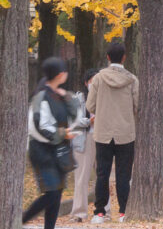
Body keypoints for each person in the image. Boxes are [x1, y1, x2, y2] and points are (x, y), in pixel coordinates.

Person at [22, 57, 80, 229]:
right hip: (42, 151)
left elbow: (75, 117)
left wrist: (68, 99)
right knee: (52, 192)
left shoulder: (60, 95)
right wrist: (62, 134)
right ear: (61, 74)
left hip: (59, 150)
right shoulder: (41, 96)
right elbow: (39, 125)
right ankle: (22, 219)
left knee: (57, 193)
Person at [87, 41, 139, 222]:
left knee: (102, 173)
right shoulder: (132, 79)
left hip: (103, 132)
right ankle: (124, 211)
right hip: (126, 133)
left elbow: (90, 105)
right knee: (124, 175)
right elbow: (137, 105)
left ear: (108, 57)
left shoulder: (99, 79)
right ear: (124, 57)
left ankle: (99, 212)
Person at [69, 68, 98, 222]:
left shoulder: (105, 98)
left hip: (101, 138)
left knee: (103, 176)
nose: (94, 85)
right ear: (86, 83)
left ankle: (103, 212)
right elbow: (73, 121)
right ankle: (79, 212)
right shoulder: (78, 99)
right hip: (83, 140)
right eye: (91, 82)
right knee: (81, 177)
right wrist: (89, 121)